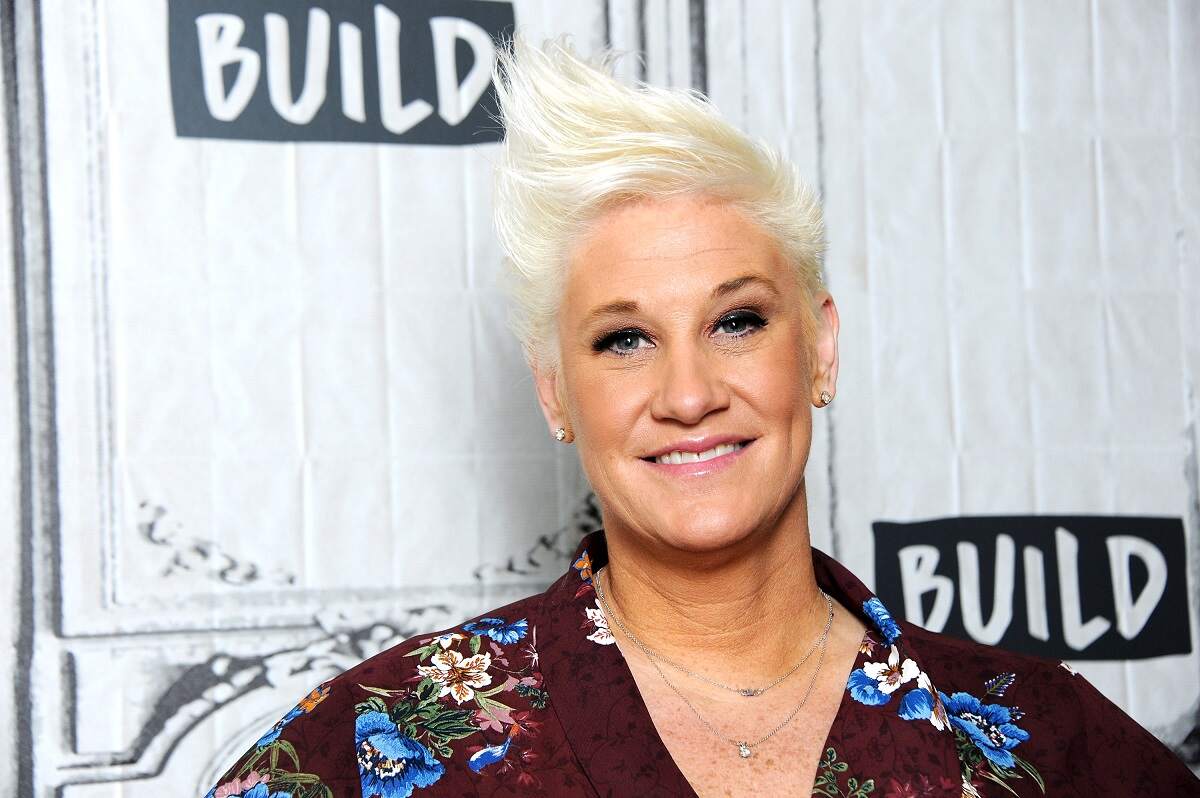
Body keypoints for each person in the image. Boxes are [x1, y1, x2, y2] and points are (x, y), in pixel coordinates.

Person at [203, 37, 1200, 798]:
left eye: (736, 321)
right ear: (554, 390)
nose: (688, 395)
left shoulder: (1046, 744)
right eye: (623, 339)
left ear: (821, 349)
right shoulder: (381, 746)